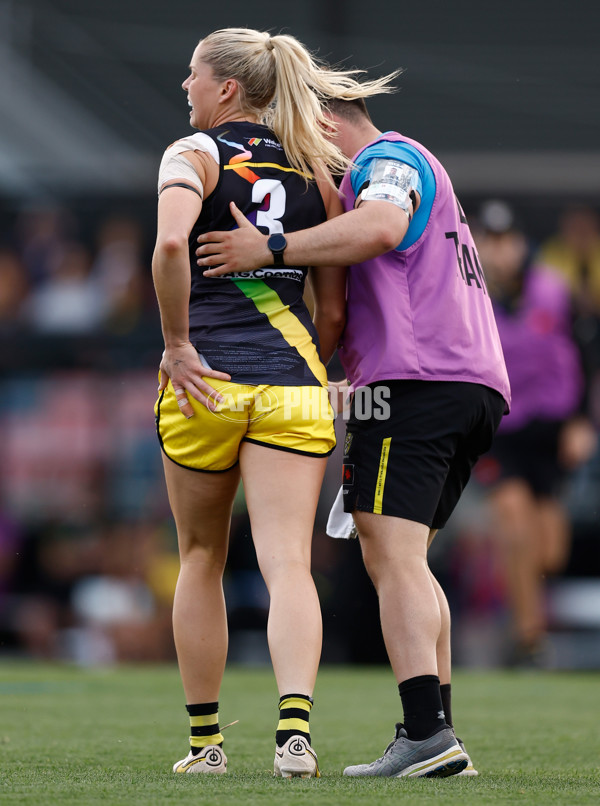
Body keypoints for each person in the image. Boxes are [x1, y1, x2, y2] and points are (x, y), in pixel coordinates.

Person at [196, 92, 511, 777]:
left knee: (389, 555)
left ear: (324, 119)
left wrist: (269, 245)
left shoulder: (384, 158)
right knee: (410, 560)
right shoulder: (408, 160)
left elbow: (382, 227)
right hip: (465, 384)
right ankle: (440, 734)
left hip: (417, 385)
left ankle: (425, 734)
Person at [152, 27, 396, 778]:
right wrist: (312, 363)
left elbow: (168, 250)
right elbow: (332, 306)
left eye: (193, 74)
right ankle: (295, 734)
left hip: (206, 388)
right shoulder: (317, 173)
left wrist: (177, 345)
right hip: (294, 391)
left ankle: (206, 746)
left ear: (227, 88)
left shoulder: (190, 154)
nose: (184, 86)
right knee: (290, 562)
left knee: (200, 557)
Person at [472, 200, 596, 667]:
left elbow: (587, 356)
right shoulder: (471, 296)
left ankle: (526, 617)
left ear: (521, 244)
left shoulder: (554, 291)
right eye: (489, 240)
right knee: (514, 524)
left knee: (549, 553)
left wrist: (583, 421)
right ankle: (529, 637)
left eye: (505, 240)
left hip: (552, 432)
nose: (498, 251)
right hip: (502, 429)